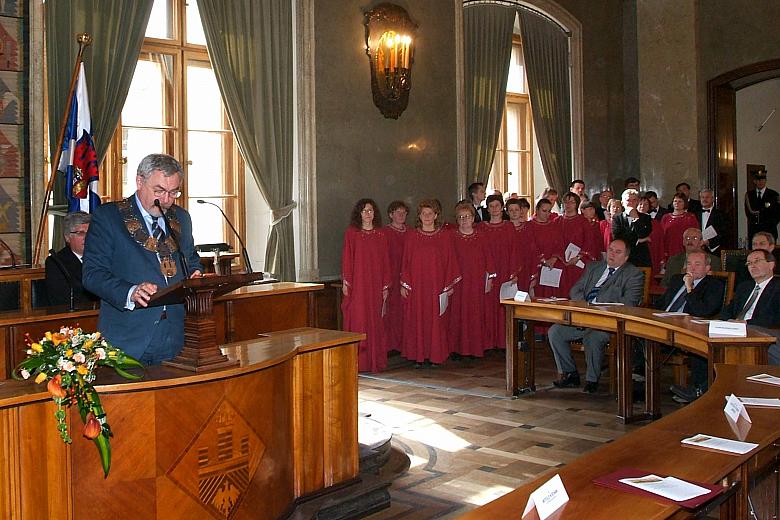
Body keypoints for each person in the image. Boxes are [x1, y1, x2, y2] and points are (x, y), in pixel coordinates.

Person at [83, 154, 203, 365]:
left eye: (174, 192)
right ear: (140, 181)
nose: (166, 200)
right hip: (129, 338)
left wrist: (196, 273)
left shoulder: (181, 217)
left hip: (177, 336)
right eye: (159, 191)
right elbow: (93, 275)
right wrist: (130, 291)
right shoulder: (109, 217)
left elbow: (191, 259)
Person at [548, 239, 644, 393]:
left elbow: (630, 303)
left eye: (617, 252)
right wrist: (585, 305)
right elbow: (575, 290)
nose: (612, 254)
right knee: (555, 332)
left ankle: (592, 379)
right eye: (611, 249)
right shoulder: (594, 267)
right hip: (583, 317)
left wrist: (598, 302)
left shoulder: (633, 274)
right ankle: (570, 373)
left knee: (593, 338)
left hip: (608, 323)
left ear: (626, 257)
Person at [400, 199, 461, 366]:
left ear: (436, 215)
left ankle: (436, 356)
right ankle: (418, 356)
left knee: (436, 322)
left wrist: (449, 286)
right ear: (419, 216)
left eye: (430, 213)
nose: (427, 216)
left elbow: (451, 261)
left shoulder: (444, 236)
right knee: (417, 321)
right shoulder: (412, 235)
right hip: (417, 287)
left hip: (437, 286)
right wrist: (404, 284)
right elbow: (405, 261)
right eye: (423, 213)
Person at [659, 251, 725, 403]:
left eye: (697, 264)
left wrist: (690, 289)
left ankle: (697, 390)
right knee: (636, 334)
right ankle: (639, 381)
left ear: (708, 268)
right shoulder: (676, 280)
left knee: (700, 346)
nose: (692, 268)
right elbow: (661, 304)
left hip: (689, 329)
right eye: (689, 264)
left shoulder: (714, 284)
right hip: (664, 323)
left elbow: (703, 311)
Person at [342, 199, 392, 373]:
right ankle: (358, 362)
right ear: (359, 214)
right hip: (358, 286)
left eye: (370, 210)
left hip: (376, 284)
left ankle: (374, 360)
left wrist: (385, 285)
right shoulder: (352, 233)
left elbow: (386, 260)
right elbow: (347, 258)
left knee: (376, 322)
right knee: (359, 320)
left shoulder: (381, 234)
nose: (367, 214)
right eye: (364, 211)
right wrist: (346, 283)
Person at [450, 201, 495, 358]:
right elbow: (448, 260)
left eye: (467, 216)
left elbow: (489, 258)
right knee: (458, 314)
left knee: (475, 313)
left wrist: (489, 279)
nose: (464, 220)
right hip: (459, 282)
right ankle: (457, 348)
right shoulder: (452, 237)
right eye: (461, 217)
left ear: (472, 218)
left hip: (476, 281)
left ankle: (475, 348)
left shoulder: (481, 236)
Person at [720, 249, 780, 365]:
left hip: (765, 331)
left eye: (757, 261)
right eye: (749, 263)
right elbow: (728, 310)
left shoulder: (777, 287)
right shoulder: (744, 287)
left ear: (771, 264)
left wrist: (747, 323)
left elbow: (775, 318)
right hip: (738, 330)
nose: (752, 266)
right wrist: (725, 322)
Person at [478, 194, 516, 349]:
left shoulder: (508, 227)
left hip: (505, 270)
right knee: (487, 307)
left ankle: (502, 342)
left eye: (497, 206)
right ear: (487, 208)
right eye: (491, 206)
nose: (494, 209)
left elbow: (514, 250)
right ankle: (487, 342)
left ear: (502, 208)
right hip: (487, 272)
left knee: (503, 307)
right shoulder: (481, 227)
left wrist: (514, 272)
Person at [45, 211, 100, 307]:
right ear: (67, 237)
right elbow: (62, 299)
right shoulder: (56, 262)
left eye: (90, 232)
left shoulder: (103, 257)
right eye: (81, 233)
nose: (87, 238)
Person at [382, 200, 409, 352]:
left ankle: (405, 345)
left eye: (404, 212)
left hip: (408, 278)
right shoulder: (384, 233)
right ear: (391, 214)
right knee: (391, 312)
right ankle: (391, 345)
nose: (401, 215)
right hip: (390, 277)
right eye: (398, 212)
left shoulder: (411, 233)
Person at [527, 198, 564, 298]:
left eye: (549, 211)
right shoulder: (529, 226)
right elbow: (531, 245)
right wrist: (543, 260)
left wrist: (553, 258)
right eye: (544, 211)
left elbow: (560, 244)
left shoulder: (554, 226)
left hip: (553, 266)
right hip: (536, 265)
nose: (547, 214)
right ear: (537, 210)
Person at [611, 189, 652, 267]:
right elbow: (617, 238)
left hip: (641, 258)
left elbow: (643, 234)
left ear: (637, 202)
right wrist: (638, 240)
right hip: (622, 257)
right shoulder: (617, 218)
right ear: (622, 203)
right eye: (628, 200)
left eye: (634, 200)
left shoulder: (646, 217)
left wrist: (636, 218)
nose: (631, 203)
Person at [661, 193, 699, 265]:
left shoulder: (690, 217)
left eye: (680, 201)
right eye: (675, 201)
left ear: (685, 203)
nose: (677, 203)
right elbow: (662, 236)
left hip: (685, 249)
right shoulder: (665, 217)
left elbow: (696, 235)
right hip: (669, 250)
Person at [506, 198, 534, 291]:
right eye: (511, 210)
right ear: (507, 212)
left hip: (525, 267)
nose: (514, 212)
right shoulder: (504, 229)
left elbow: (533, 249)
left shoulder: (528, 227)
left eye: (516, 210)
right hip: (508, 268)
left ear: (521, 211)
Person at [744, 169, 780, 241]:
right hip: (754, 233)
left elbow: (778, 214)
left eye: (762, 179)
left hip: (769, 233)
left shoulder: (773, 195)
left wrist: (769, 225)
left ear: (765, 180)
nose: (760, 182)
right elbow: (748, 213)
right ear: (754, 181)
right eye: (758, 180)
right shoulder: (749, 195)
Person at [637, 195, 665, 278]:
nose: (642, 206)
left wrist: (662, 258)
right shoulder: (630, 221)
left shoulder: (655, 223)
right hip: (636, 255)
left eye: (645, 204)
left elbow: (660, 241)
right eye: (640, 204)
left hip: (653, 253)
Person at [695, 188, 725, 254]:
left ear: (713, 199)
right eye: (702, 197)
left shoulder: (721, 214)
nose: (704, 199)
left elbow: (724, 233)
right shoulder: (695, 214)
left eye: (707, 197)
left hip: (715, 251)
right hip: (697, 249)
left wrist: (709, 242)